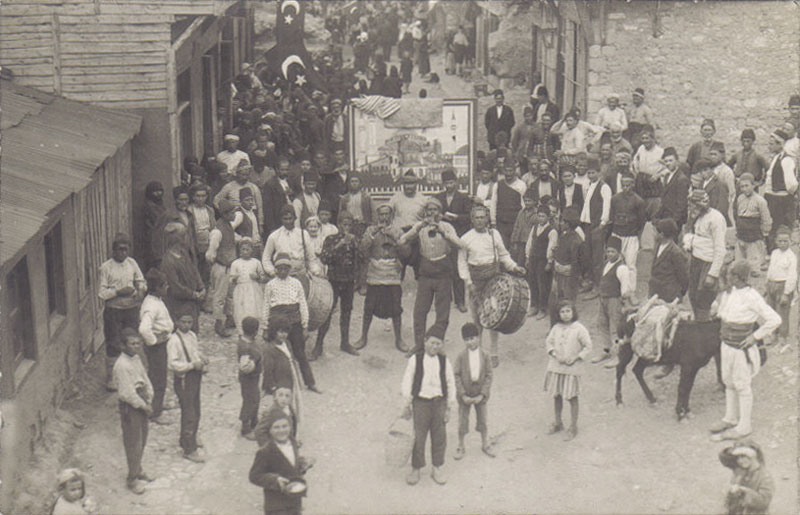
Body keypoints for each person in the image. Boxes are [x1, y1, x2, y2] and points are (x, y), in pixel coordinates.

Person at [710, 261, 780, 441]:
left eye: (731, 275)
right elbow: (723, 314)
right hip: (726, 344)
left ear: (739, 277)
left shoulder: (752, 296)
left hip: (741, 348)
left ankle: (744, 426)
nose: (728, 277)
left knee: (742, 384)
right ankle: (730, 417)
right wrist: (716, 309)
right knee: (728, 381)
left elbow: (774, 319)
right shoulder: (729, 292)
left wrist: (755, 337)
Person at [458, 205, 526, 368]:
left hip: (494, 281)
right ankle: (477, 353)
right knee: (478, 319)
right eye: (476, 217)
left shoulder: (494, 235)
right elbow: (462, 264)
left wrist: (515, 267)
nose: (480, 221)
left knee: (494, 318)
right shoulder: (466, 238)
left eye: (483, 217)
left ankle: (493, 352)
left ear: (487, 219)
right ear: (472, 219)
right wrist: (469, 283)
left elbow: (503, 255)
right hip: (475, 283)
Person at [399, 198, 463, 353]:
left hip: (443, 273)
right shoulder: (420, 227)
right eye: (429, 210)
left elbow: (460, 244)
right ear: (425, 212)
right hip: (426, 273)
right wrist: (419, 227)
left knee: (442, 312)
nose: (432, 213)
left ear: (440, 213)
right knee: (419, 311)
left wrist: (443, 232)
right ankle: (420, 345)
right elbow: (401, 241)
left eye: (435, 210)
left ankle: (435, 343)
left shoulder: (447, 226)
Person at [400, 326, 456, 486]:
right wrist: (408, 400)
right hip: (421, 403)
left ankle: (437, 467)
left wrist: (449, 405)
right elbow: (407, 380)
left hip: (439, 403)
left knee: (439, 437)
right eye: (432, 343)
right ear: (425, 342)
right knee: (418, 437)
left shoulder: (444, 361)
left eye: (438, 344)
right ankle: (416, 468)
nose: (435, 347)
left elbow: (450, 382)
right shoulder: (415, 360)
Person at [261, 253, 320, 394]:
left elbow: (303, 305)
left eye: (285, 268)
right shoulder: (270, 285)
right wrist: (265, 327)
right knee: (272, 354)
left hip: (294, 322)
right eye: (279, 268)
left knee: (300, 353)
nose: (282, 271)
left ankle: (310, 383)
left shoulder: (296, 283)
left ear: (289, 269)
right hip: (276, 322)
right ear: (275, 269)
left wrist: (305, 325)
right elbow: (266, 306)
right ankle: (268, 385)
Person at [355, 204, 408, 352]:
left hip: (392, 273)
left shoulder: (398, 231)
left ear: (391, 216)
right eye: (381, 214)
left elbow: (406, 253)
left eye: (387, 214)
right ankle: (363, 337)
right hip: (375, 273)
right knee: (369, 306)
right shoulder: (371, 230)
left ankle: (399, 339)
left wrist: (393, 237)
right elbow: (362, 249)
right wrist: (373, 235)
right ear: (377, 216)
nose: (384, 217)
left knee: (396, 307)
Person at [99, 233, 147, 391]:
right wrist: (119, 291)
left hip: (131, 309)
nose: (123, 253)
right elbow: (102, 293)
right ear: (113, 250)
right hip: (114, 311)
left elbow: (141, 280)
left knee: (132, 341)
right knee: (114, 343)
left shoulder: (131, 263)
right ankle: (111, 378)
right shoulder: (106, 267)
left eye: (125, 250)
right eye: (119, 250)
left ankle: (132, 376)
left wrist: (140, 290)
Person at [112, 328, 153, 495]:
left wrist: (149, 396)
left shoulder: (136, 359)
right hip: (131, 407)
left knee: (143, 439)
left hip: (142, 400)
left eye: (138, 343)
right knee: (133, 442)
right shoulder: (121, 365)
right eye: (132, 344)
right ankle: (132, 478)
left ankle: (138, 469)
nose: (136, 346)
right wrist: (143, 405)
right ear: (123, 346)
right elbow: (127, 392)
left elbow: (145, 377)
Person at [315, 212, 361, 358]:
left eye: (349, 225)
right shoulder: (331, 239)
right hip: (333, 281)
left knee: (346, 312)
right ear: (339, 225)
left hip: (348, 281)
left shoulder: (355, 240)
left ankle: (345, 343)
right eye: (344, 225)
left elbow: (362, 258)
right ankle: (318, 345)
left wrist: (355, 244)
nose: (346, 228)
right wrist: (340, 244)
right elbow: (324, 259)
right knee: (327, 312)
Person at [249, 409, 313, 515]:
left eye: (284, 426)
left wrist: (302, 463)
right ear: (269, 430)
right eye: (276, 427)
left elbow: (289, 462)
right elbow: (254, 476)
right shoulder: (265, 451)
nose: (281, 430)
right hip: (276, 504)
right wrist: (275, 480)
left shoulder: (292, 442)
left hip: (295, 499)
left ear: (290, 427)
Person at [544, 300, 592, 442]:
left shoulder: (579, 329)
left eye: (568, 311)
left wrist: (576, 358)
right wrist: (555, 354)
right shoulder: (556, 328)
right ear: (558, 314)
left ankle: (573, 426)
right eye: (562, 312)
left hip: (572, 369)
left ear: (573, 312)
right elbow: (548, 342)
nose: (565, 315)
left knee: (572, 396)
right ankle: (558, 422)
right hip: (557, 367)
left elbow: (588, 346)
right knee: (556, 395)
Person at [166, 308, 207, 463]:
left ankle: (189, 438)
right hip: (183, 379)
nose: (187, 325)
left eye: (190, 322)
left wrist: (202, 358)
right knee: (188, 412)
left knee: (196, 410)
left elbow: (194, 352)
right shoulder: (173, 341)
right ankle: (189, 449)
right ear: (177, 322)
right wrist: (191, 365)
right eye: (183, 322)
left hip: (194, 377)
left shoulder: (191, 336)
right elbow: (172, 364)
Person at [137, 268, 174, 425]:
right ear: (157, 287)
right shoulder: (151, 306)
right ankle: (155, 412)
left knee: (160, 376)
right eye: (165, 285)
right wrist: (154, 341)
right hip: (156, 348)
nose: (167, 288)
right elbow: (144, 329)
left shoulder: (156, 300)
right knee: (158, 379)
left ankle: (157, 403)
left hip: (161, 345)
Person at [683, 189, 727, 321]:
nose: (691, 209)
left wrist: (712, 274)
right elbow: (690, 234)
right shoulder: (696, 217)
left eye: (693, 206)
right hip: (696, 260)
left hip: (708, 262)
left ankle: (704, 327)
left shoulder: (716, 219)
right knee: (693, 295)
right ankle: (699, 323)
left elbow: (720, 249)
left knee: (704, 298)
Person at [453, 323, 494, 460]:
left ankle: (485, 443)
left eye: (473, 338)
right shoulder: (461, 356)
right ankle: (460, 445)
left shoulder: (485, 355)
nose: (470, 342)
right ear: (464, 340)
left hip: (480, 393)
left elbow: (489, 375)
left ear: (478, 337)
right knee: (462, 421)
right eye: (467, 339)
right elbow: (456, 375)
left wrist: (483, 394)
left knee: (483, 420)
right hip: (466, 394)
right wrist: (462, 394)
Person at [591, 236, 633, 368]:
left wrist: (623, 303)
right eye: (608, 251)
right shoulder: (606, 264)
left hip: (614, 300)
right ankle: (606, 350)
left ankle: (619, 355)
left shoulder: (622, 268)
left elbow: (626, 289)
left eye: (613, 252)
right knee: (602, 324)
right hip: (603, 298)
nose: (609, 254)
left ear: (619, 253)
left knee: (617, 328)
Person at [435, 168, 472, 312]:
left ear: (456, 183)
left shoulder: (463, 198)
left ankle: (460, 301)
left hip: (457, 236)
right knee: (442, 269)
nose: (449, 185)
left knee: (457, 270)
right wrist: (441, 217)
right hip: (442, 237)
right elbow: (433, 213)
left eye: (451, 182)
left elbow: (469, 217)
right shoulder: (438, 197)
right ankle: (444, 300)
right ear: (443, 184)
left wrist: (457, 217)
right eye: (446, 183)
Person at [260, 321, 303, 441]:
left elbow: (292, 360)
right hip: (280, 387)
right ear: (274, 332)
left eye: (286, 332)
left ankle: (292, 436)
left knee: (292, 411)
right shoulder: (270, 350)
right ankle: (284, 438)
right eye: (280, 332)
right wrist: (273, 387)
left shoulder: (287, 344)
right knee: (283, 414)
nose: (283, 335)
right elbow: (268, 371)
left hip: (290, 382)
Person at [160, 223, 205, 333]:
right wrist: (193, 294)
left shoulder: (183, 253)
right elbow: (176, 287)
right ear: (178, 239)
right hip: (179, 305)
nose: (188, 238)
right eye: (185, 235)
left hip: (191, 303)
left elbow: (194, 270)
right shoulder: (168, 261)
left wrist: (201, 286)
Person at [205, 199, 238, 337]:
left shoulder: (229, 226)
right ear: (224, 214)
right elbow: (210, 253)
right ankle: (219, 324)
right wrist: (216, 263)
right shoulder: (217, 231)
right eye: (232, 212)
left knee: (230, 295)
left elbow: (233, 239)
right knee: (219, 297)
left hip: (229, 267)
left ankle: (230, 318)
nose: (235, 215)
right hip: (221, 267)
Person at [609, 172, 646, 290]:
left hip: (631, 236)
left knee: (630, 264)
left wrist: (637, 236)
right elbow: (611, 216)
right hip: (617, 234)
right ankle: (616, 288)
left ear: (633, 184)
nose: (625, 188)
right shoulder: (615, 199)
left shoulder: (638, 201)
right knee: (616, 262)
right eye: (623, 185)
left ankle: (631, 291)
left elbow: (642, 222)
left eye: (628, 185)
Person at [579, 158, 612, 292]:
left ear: (599, 173)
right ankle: (591, 281)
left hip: (597, 225)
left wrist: (602, 223)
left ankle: (598, 285)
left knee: (598, 257)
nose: (590, 175)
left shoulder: (604, 187)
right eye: (589, 173)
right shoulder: (588, 186)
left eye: (593, 173)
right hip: (587, 224)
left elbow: (606, 206)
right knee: (588, 255)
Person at [763, 129, 798, 249]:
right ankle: (772, 252)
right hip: (772, 198)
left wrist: (786, 196)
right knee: (771, 227)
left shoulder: (786, 160)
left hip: (781, 200)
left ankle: (780, 253)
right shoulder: (776, 158)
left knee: (780, 228)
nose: (769, 146)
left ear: (780, 144)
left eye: (772, 144)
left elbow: (791, 184)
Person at [719, 440, 774, 515]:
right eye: (737, 458)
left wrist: (743, 491)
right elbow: (724, 457)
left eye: (743, 456)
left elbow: (764, 502)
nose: (740, 461)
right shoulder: (740, 471)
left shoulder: (765, 476)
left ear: (752, 456)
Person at [550, 207, 584, 324]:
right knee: (556, 303)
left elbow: (577, 262)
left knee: (567, 305)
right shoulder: (563, 236)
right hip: (559, 275)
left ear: (569, 224)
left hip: (569, 279)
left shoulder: (576, 240)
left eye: (563, 221)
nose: (560, 223)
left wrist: (569, 271)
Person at [389, 170, 427, 277]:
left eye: (412, 183)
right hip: (400, 236)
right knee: (397, 272)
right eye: (406, 183)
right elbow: (388, 215)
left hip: (416, 236)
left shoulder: (422, 199)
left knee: (420, 272)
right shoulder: (395, 198)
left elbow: (426, 219)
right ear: (403, 184)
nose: (409, 186)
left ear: (416, 184)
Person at [262, 205, 314, 280]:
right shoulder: (274, 236)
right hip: (282, 276)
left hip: (301, 275)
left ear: (295, 218)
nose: (288, 221)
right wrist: (272, 272)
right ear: (281, 219)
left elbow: (311, 257)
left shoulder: (303, 234)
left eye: (290, 218)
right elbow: (266, 258)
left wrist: (313, 271)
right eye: (285, 219)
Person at [734, 173, 772, 275]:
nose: (744, 189)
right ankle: (740, 270)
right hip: (742, 230)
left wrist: (765, 231)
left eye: (747, 186)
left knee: (753, 252)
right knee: (740, 251)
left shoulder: (760, 201)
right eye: (742, 186)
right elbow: (737, 213)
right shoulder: (740, 198)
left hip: (753, 230)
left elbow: (766, 217)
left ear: (753, 185)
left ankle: (755, 270)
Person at [765, 227, 797, 347]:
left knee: (782, 312)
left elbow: (792, 275)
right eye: (780, 241)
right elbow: (771, 269)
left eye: (786, 241)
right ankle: (773, 334)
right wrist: (767, 283)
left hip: (783, 286)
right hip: (772, 285)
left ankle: (783, 337)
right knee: (771, 311)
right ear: (776, 241)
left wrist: (786, 292)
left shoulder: (791, 256)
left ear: (790, 241)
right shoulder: (774, 253)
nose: (783, 243)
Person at [525, 205, 557, 319]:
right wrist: (528, 256)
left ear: (548, 217)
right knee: (532, 282)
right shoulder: (534, 228)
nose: (540, 218)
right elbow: (529, 242)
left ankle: (543, 308)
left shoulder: (552, 231)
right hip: (533, 259)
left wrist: (549, 261)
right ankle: (534, 305)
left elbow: (552, 247)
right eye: (539, 216)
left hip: (543, 261)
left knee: (543, 284)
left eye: (543, 216)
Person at [230, 238, 267, 336]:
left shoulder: (256, 262)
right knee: (241, 311)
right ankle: (242, 331)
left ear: (252, 250)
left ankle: (256, 331)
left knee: (254, 309)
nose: (245, 252)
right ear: (240, 251)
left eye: (247, 249)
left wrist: (257, 277)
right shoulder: (235, 263)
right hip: (241, 290)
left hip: (253, 289)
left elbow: (263, 277)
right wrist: (235, 278)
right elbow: (231, 279)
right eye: (243, 249)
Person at [648, 218, 689, 303]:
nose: (654, 234)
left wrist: (680, 293)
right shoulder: (658, 246)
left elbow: (683, 275)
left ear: (662, 234)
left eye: (656, 232)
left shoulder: (676, 252)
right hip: (654, 292)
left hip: (668, 295)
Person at [491, 161, 527, 247]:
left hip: (515, 223)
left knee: (515, 249)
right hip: (501, 223)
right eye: (506, 171)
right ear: (503, 171)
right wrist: (493, 221)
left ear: (515, 171)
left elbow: (524, 205)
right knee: (501, 247)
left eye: (511, 171)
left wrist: (522, 223)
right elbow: (493, 203)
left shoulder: (521, 185)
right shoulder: (497, 185)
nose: (508, 173)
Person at [238, 317, 262, 441]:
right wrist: (255, 359)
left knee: (255, 398)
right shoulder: (245, 347)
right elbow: (245, 367)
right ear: (255, 331)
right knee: (249, 400)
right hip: (248, 378)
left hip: (254, 378)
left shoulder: (249, 342)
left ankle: (254, 421)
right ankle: (245, 427)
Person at [655, 147, 691, 234]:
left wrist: (674, 221)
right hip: (665, 216)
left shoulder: (681, 179)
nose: (668, 163)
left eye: (670, 160)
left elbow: (682, 203)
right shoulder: (667, 176)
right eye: (666, 161)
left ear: (677, 161)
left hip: (675, 218)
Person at [262, 157, 294, 234]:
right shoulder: (270, 184)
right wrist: (271, 227)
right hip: (277, 220)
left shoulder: (291, 181)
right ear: (277, 169)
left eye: (287, 170)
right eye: (282, 170)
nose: (285, 172)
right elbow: (267, 208)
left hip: (290, 218)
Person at [338, 172, 373, 238]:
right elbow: (340, 214)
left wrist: (371, 226)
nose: (354, 183)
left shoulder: (366, 197)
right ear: (349, 184)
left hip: (363, 226)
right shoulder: (344, 198)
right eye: (352, 181)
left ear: (360, 183)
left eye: (356, 181)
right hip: (349, 226)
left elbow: (373, 213)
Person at [510, 189, 539, 268]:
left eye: (529, 201)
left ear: (535, 201)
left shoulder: (537, 214)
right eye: (525, 201)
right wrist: (514, 241)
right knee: (518, 261)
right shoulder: (521, 212)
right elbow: (516, 226)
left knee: (528, 263)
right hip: (520, 241)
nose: (527, 203)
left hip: (530, 242)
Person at [141, 181, 166, 270]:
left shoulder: (160, 204)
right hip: (152, 238)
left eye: (160, 191)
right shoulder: (149, 207)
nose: (158, 194)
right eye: (155, 191)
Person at [709, 142, 736, 223]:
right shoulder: (709, 169)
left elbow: (732, 193)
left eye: (715, 154)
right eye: (711, 154)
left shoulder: (727, 171)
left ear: (722, 155)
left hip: (722, 207)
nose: (712, 157)